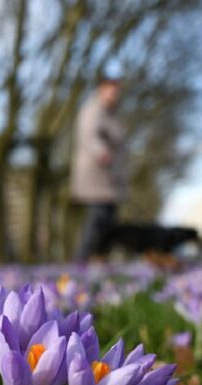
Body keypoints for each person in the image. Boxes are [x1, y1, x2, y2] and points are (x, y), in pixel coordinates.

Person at [70, 77, 125, 261]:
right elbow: (89, 135)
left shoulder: (112, 113)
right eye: (111, 90)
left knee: (106, 221)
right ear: (101, 89)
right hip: (95, 174)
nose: (115, 94)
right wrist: (101, 152)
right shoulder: (93, 110)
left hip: (109, 177)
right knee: (97, 220)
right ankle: (81, 260)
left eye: (117, 91)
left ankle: (96, 261)